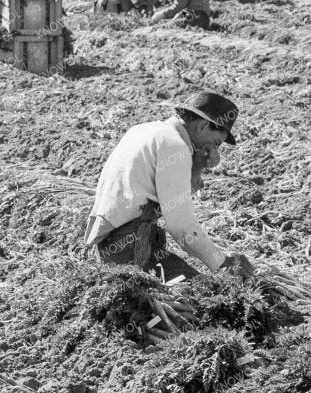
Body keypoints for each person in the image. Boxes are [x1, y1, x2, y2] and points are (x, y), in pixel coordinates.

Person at [82, 90, 252, 280]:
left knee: (195, 285)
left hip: (113, 244)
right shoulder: (175, 145)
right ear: (203, 125)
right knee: (200, 296)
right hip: (131, 248)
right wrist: (221, 262)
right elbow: (181, 226)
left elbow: (165, 190)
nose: (213, 149)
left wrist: (196, 167)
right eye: (216, 142)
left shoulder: (142, 130)